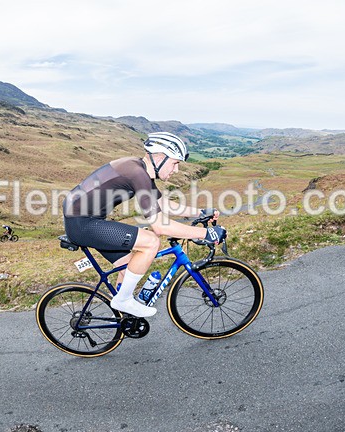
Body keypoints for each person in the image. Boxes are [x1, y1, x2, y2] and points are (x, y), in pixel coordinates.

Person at [63, 132, 225, 318]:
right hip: (83, 223)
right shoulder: (137, 173)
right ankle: (123, 301)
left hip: (86, 219)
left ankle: (123, 314)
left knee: (128, 264)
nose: (176, 170)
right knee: (150, 241)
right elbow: (160, 226)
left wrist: (200, 213)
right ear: (159, 157)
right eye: (175, 163)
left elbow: (162, 203)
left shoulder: (139, 169)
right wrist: (205, 234)